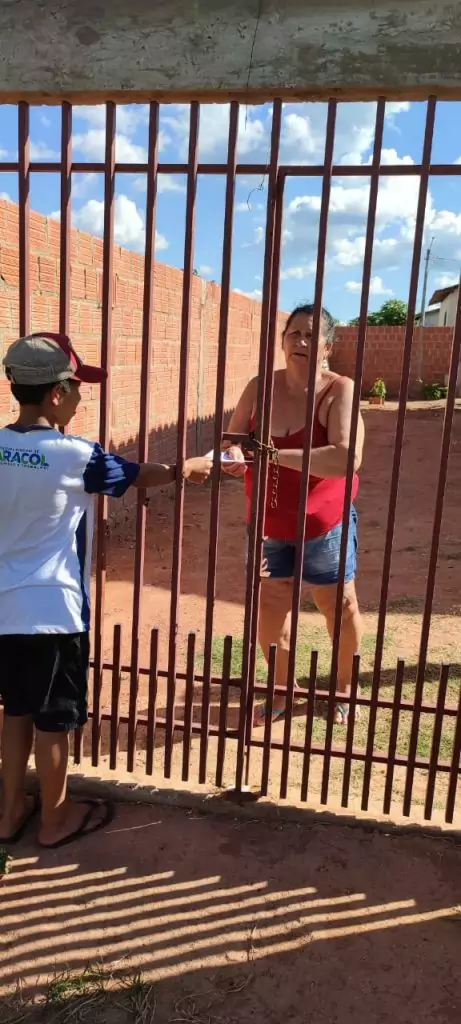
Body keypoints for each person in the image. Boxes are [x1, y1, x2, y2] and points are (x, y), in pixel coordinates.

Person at [0, 332, 212, 848]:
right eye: (75, 387)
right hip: (54, 611)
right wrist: (188, 469)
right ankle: (55, 820)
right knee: (53, 720)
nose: (79, 396)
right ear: (55, 393)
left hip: (4, 611)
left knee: (14, 711)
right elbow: (142, 475)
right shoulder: (76, 455)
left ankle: (8, 814)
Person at [222, 304, 364, 724]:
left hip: (324, 523)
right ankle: (283, 689)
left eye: (311, 335)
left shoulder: (339, 389)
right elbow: (233, 437)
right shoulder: (260, 385)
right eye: (293, 332)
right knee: (272, 604)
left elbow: (345, 458)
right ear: (282, 338)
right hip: (267, 521)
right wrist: (232, 453)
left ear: (327, 346)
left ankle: (343, 686)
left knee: (338, 605)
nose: (300, 341)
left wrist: (269, 454)